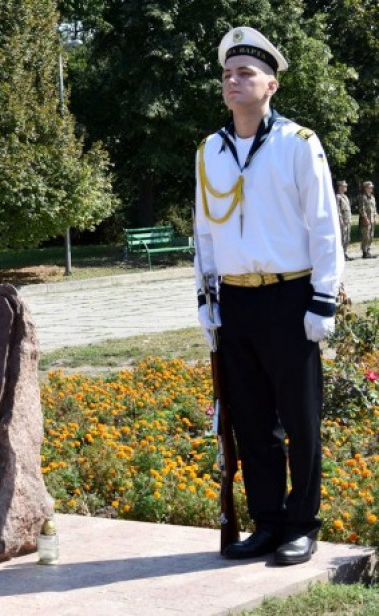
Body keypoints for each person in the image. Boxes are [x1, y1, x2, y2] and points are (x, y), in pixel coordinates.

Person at [195, 27, 344, 566]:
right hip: (235, 302)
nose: (233, 81)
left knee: (300, 421)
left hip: (290, 298)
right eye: (228, 74)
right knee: (251, 421)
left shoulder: (298, 144)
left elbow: (325, 226)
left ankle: (301, 524)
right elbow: (206, 233)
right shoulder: (209, 149)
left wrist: (323, 300)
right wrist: (205, 300)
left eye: (246, 73)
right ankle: (266, 522)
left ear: (271, 85)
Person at [335, 180, 352, 260]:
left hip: (347, 220)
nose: (346, 187)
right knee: (342, 237)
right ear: (340, 187)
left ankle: (344, 253)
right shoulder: (337, 197)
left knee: (347, 238)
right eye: (344, 186)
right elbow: (337, 209)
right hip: (342, 221)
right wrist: (340, 219)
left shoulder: (345, 196)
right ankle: (341, 254)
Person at [358, 181, 376, 258]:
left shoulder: (372, 197)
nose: (371, 188)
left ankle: (368, 250)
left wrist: (375, 216)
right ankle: (364, 252)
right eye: (370, 187)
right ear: (365, 188)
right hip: (365, 220)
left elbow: (374, 208)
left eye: (372, 187)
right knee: (366, 236)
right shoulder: (362, 197)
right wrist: (365, 218)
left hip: (372, 219)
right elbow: (362, 209)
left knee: (371, 236)